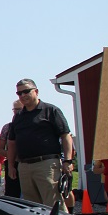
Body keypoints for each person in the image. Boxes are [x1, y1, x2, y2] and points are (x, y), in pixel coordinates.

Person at [7, 79, 74, 208]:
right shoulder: (18, 117)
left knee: (53, 202)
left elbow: (66, 136)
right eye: (19, 93)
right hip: (24, 165)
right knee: (32, 206)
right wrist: (11, 165)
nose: (22, 95)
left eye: (26, 91)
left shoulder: (51, 110)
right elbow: (12, 142)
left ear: (36, 91)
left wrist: (68, 160)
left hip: (47, 164)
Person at [1, 98, 24, 198]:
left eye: (19, 109)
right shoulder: (7, 127)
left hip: (30, 163)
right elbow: (0, 149)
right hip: (13, 164)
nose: (17, 112)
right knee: (12, 195)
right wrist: (13, 155)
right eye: (15, 110)